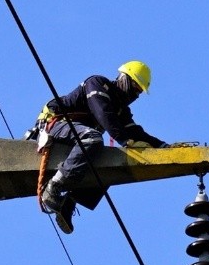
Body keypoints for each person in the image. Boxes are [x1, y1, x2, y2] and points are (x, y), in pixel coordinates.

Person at [37, 60, 169, 234]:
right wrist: (124, 140)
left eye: (139, 92)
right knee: (93, 138)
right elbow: (103, 114)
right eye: (135, 87)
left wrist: (164, 146)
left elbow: (135, 132)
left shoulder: (121, 109)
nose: (135, 95)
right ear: (124, 78)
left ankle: (69, 202)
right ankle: (54, 186)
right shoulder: (97, 84)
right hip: (55, 125)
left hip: (76, 136)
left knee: (108, 160)